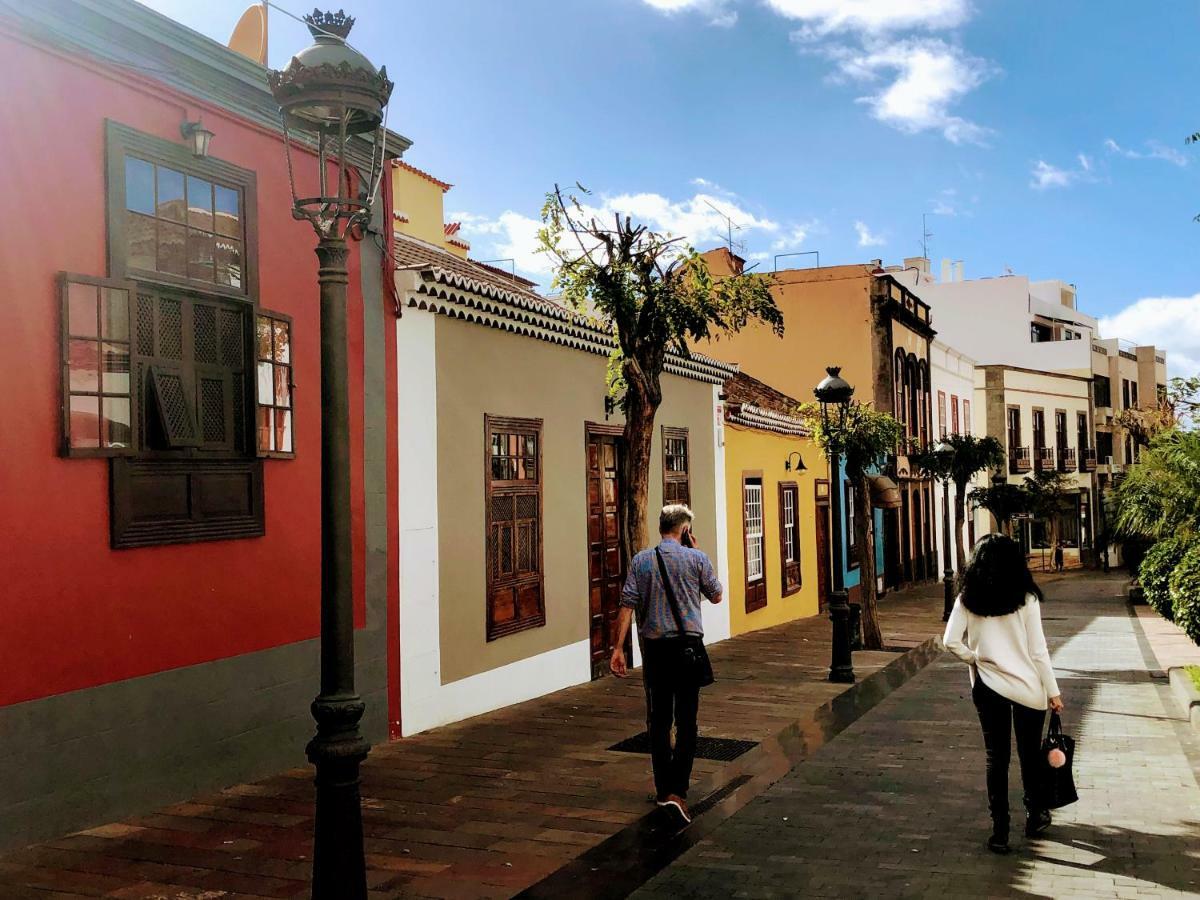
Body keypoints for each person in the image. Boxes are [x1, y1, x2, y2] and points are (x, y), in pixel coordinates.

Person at [943, 533, 1065, 854]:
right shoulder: (1026, 599)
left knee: (996, 758)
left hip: (988, 687)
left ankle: (1000, 830)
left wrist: (977, 659)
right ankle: (1034, 813)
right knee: (1029, 756)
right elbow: (1038, 652)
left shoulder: (968, 598)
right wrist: (1053, 692)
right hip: (1028, 689)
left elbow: (950, 641)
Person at [611, 504, 723, 826]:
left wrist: (619, 648)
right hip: (687, 649)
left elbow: (627, 605)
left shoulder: (641, 561)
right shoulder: (697, 559)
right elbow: (716, 596)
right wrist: (697, 552)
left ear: (661, 527)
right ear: (685, 530)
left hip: (656, 651)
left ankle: (663, 791)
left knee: (659, 721)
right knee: (687, 721)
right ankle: (679, 792)